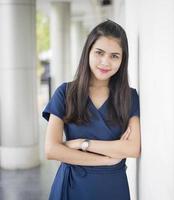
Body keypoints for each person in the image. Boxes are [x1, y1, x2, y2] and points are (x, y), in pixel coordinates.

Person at [42, 19, 141, 200]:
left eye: (114, 56)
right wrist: (106, 159)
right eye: (99, 53)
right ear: (88, 52)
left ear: (123, 60)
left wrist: (80, 143)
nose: (105, 62)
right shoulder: (65, 93)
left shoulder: (129, 97)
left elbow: (133, 148)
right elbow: (51, 150)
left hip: (113, 188)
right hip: (71, 187)